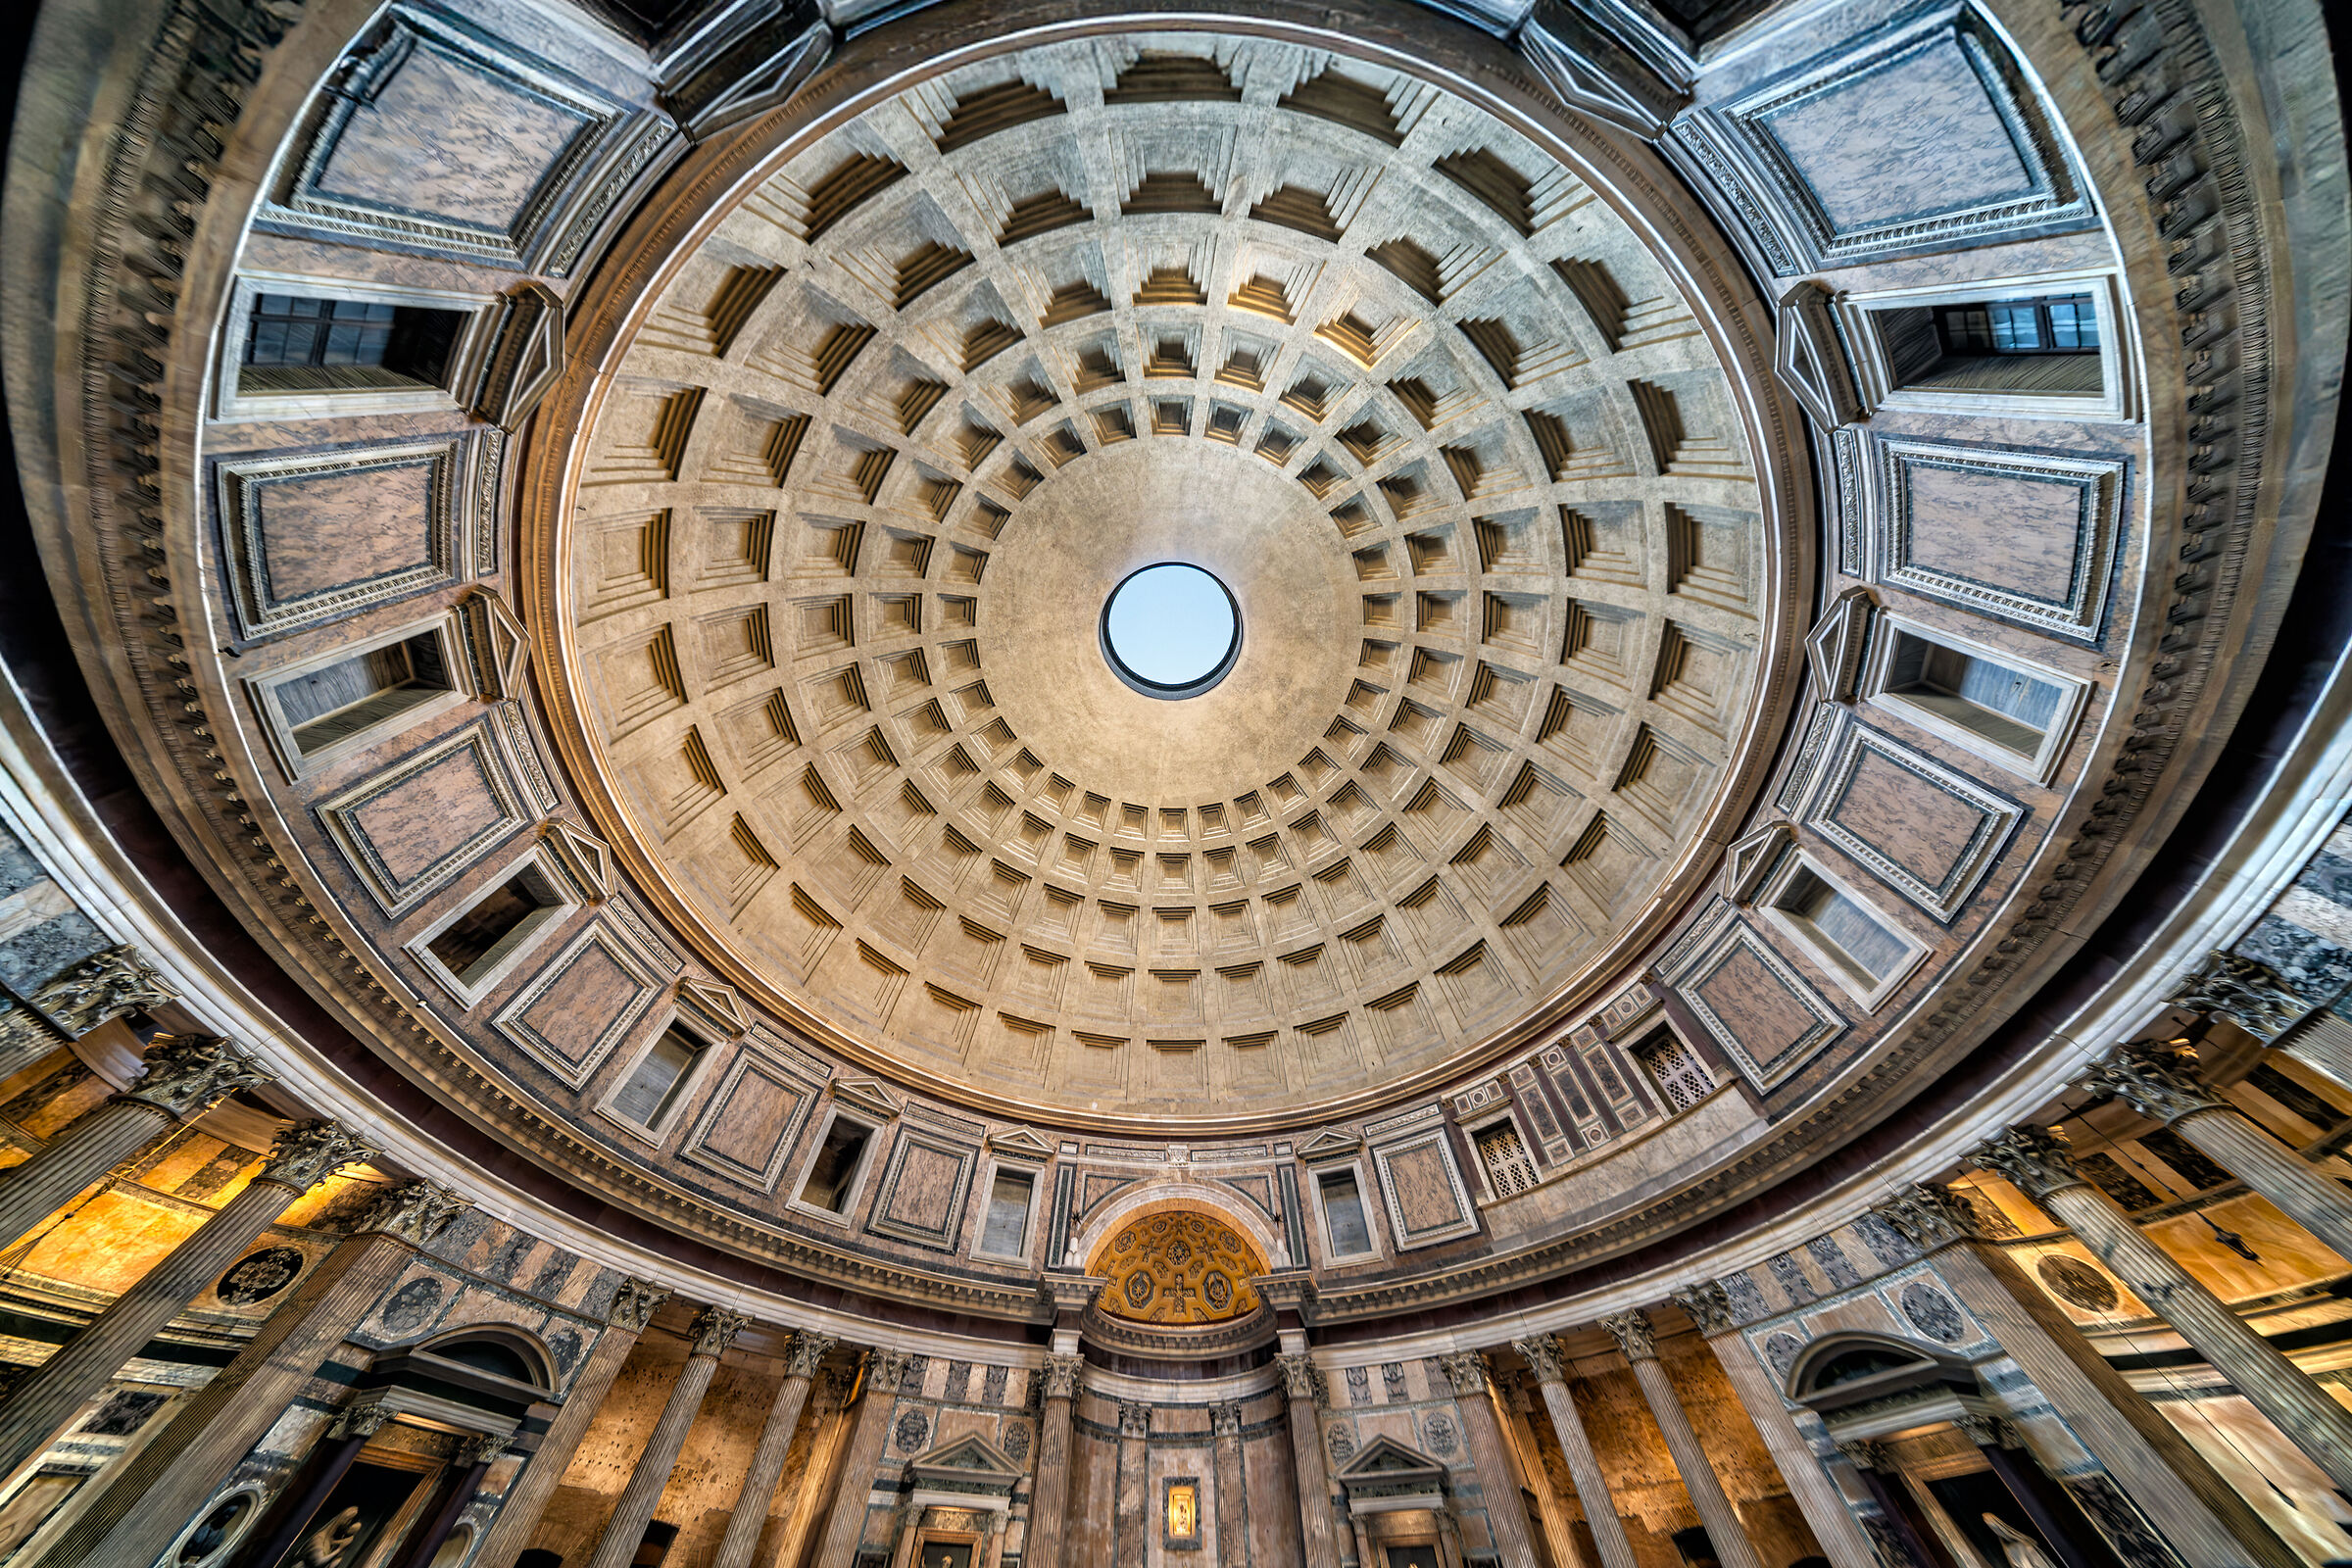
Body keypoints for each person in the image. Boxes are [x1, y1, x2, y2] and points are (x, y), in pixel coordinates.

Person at [1984, 1514, 2059, 1568]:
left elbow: (2041, 1562)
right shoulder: (2009, 1549)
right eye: (1993, 1528)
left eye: (1997, 1527)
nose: (1998, 1530)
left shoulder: (2023, 1543)